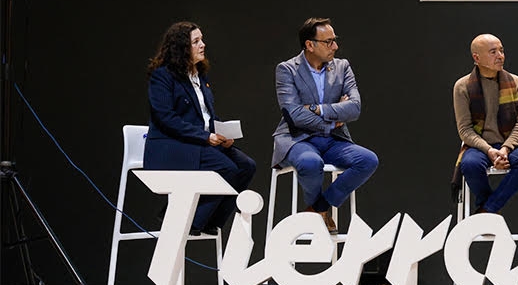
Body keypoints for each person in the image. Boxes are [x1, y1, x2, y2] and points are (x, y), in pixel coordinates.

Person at [145, 21, 256, 235]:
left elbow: (207, 115)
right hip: (173, 146)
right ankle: (188, 220)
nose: (203, 45)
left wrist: (223, 134)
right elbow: (166, 117)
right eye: (196, 41)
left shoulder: (199, 76)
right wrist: (205, 137)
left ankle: (211, 221)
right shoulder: (163, 76)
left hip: (198, 142)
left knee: (246, 166)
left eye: (201, 39)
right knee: (227, 168)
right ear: (181, 48)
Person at [272, 17, 379, 233]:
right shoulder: (287, 70)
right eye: (328, 42)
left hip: (333, 141)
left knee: (368, 160)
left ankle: (318, 209)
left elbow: (355, 107)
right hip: (297, 137)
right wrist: (332, 119)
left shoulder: (342, 67)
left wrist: (318, 109)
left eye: (335, 40)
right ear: (310, 45)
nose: (335, 47)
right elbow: (294, 115)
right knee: (310, 163)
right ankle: (319, 214)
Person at [452, 34, 518, 213]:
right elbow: (465, 130)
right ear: (477, 58)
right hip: (479, 146)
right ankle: (488, 206)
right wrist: (490, 151)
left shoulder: (515, 82)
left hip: (508, 144)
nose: (500, 56)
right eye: (493, 52)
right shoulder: (463, 86)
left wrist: (505, 149)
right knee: (470, 165)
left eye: (501, 50)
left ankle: (487, 210)